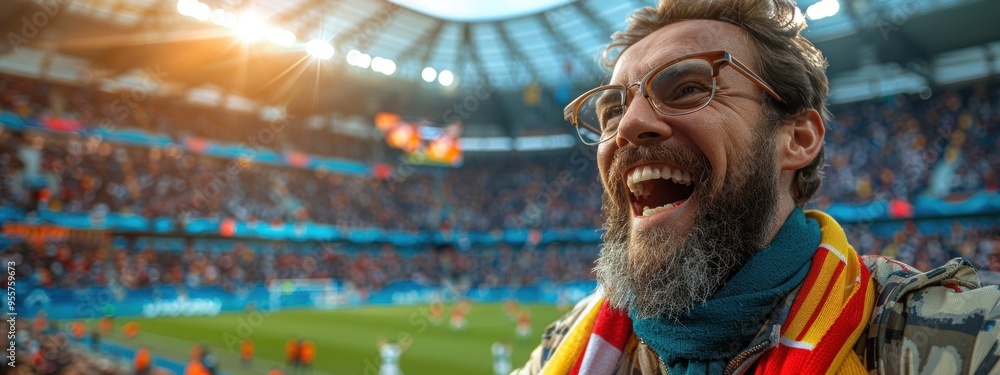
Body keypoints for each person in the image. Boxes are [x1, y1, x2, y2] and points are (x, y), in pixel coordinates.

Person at [515, 0, 1000, 374]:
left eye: (687, 88)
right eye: (612, 111)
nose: (629, 126)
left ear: (798, 138)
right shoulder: (564, 345)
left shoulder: (954, 337)